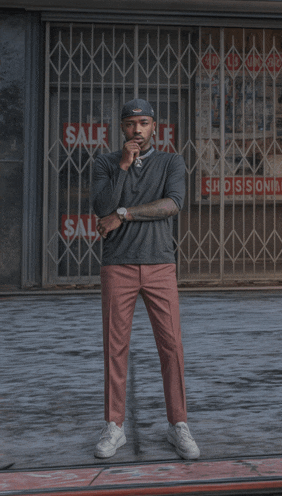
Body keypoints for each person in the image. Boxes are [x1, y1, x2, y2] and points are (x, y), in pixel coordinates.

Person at [91, 98, 200, 460]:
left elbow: (173, 204)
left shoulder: (171, 161)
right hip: (117, 265)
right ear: (120, 127)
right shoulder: (105, 162)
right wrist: (123, 166)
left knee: (171, 346)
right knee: (114, 347)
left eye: (144, 123)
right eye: (130, 124)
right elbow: (101, 207)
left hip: (159, 265)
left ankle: (178, 425)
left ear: (155, 126)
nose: (137, 130)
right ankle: (114, 426)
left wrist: (124, 214)